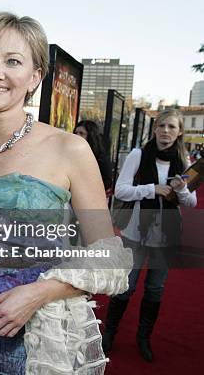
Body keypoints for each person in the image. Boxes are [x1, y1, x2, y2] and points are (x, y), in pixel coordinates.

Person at [0, 12, 130, 374]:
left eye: (13, 61)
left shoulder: (68, 149)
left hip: (37, 344)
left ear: (35, 76)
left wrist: (40, 293)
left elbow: (112, 261)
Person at [102, 108, 197, 362]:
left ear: (179, 133)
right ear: (155, 129)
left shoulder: (183, 160)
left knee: (155, 289)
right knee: (125, 287)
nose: (166, 131)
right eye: (162, 126)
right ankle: (109, 332)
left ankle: (143, 338)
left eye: (172, 127)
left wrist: (181, 189)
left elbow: (190, 202)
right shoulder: (138, 154)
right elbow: (121, 191)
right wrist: (152, 189)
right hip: (136, 232)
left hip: (166, 235)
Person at [75, 120, 113, 191]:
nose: (77, 135)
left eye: (81, 133)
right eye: (76, 132)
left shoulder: (100, 158)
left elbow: (107, 182)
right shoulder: (73, 153)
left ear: (90, 136)